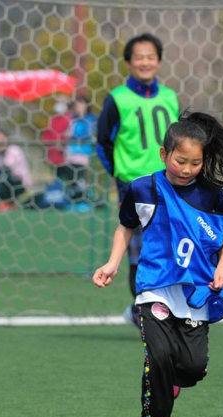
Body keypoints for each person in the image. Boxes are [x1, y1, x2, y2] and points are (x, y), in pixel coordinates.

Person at [92, 110, 223, 417]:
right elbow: (125, 227)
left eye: (195, 163)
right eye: (180, 161)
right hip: (154, 288)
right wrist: (113, 263)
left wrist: (222, 267)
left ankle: (173, 382)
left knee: (191, 368)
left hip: (196, 294)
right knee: (158, 356)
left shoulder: (213, 196)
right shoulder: (143, 188)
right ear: (164, 155)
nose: (187, 169)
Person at [96, 33, 180, 327]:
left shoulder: (170, 97)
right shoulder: (117, 99)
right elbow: (103, 142)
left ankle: (172, 305)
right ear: (129, 62)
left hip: (170, 185)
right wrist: (122, 179)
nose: (145, 62)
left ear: (159, 60)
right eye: (139, 57)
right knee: (138, 251)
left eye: (150, 56)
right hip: (135, 187)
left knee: (171, 244)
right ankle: (141, 310)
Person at [0, 131, 32, 211]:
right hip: (5, 181)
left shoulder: (14, 150)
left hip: (19, 182)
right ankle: (7, 202)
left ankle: (9, 202)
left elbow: (7, 168)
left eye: (0, 139)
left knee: (3, 177)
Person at [62, 95, 97, 202]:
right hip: (71, 152)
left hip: (82, 152)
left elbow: (85, 133)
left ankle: (85, 198)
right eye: (77, 106)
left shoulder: (90, 118)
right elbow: (66, 132)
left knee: (80, 176)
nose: (78, 108)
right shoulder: (72, 118)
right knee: (71, 177)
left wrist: (82, 118)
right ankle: (73, 199)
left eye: (81, 106)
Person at [41, 94, 71, 168]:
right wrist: (46, 145)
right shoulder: (53, 119)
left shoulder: (70, 118)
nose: (59, 105)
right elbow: (46, 134)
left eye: (61, 103)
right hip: (52, 153)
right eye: (58, 102)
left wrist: (64, 147)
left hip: (65, 153)